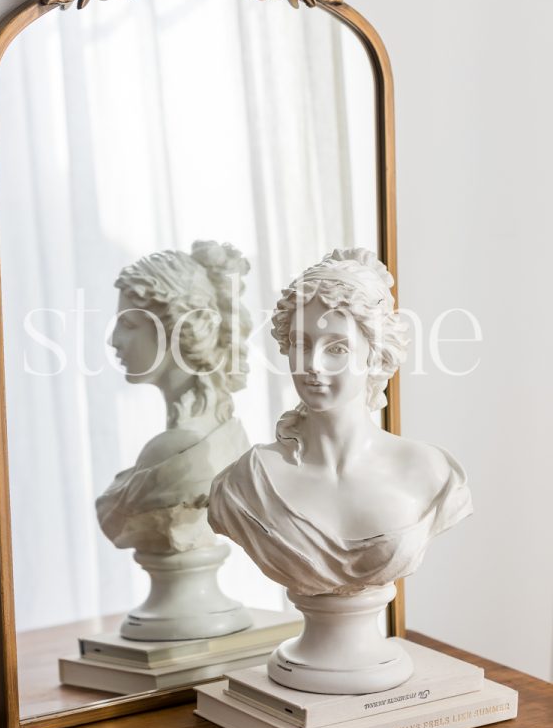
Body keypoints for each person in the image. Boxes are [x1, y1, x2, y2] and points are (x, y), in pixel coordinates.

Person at [208, 247, 472, 597]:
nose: (313, 364)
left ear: (375, 355)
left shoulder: (430, 473)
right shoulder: (247, 482)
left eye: (337, 349)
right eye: (300, 344)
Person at [96, 240, 251, 555]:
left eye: (128, 324)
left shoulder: (172, 452)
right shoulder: (227, 436)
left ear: (177, 328)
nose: (114, 340)